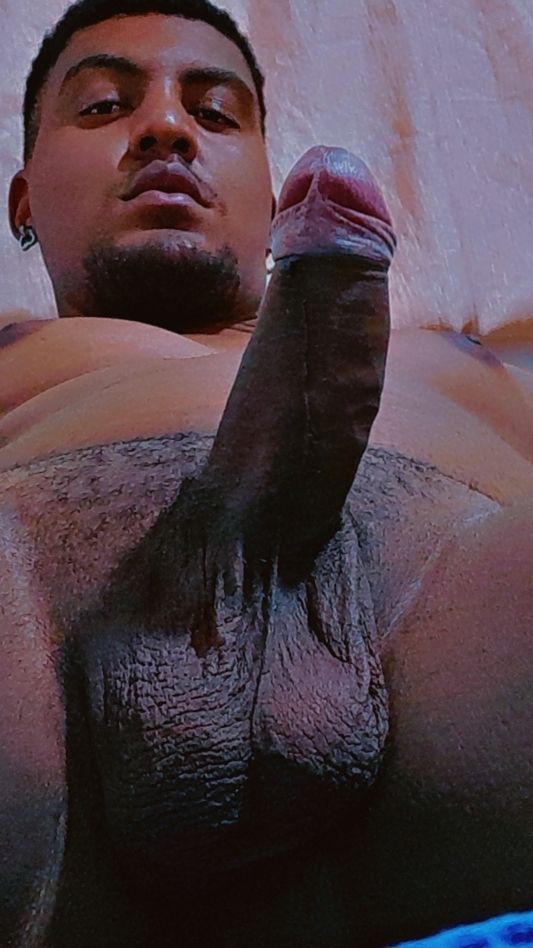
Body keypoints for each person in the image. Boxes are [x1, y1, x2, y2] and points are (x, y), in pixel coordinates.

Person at [1, 1, 532, 946]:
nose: (166, 126)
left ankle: (278, 472)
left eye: (215, 114)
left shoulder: (465, 361)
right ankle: (274, 458)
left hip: (463, 634)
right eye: (104, 106)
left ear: (271, 193)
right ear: (24, 201)